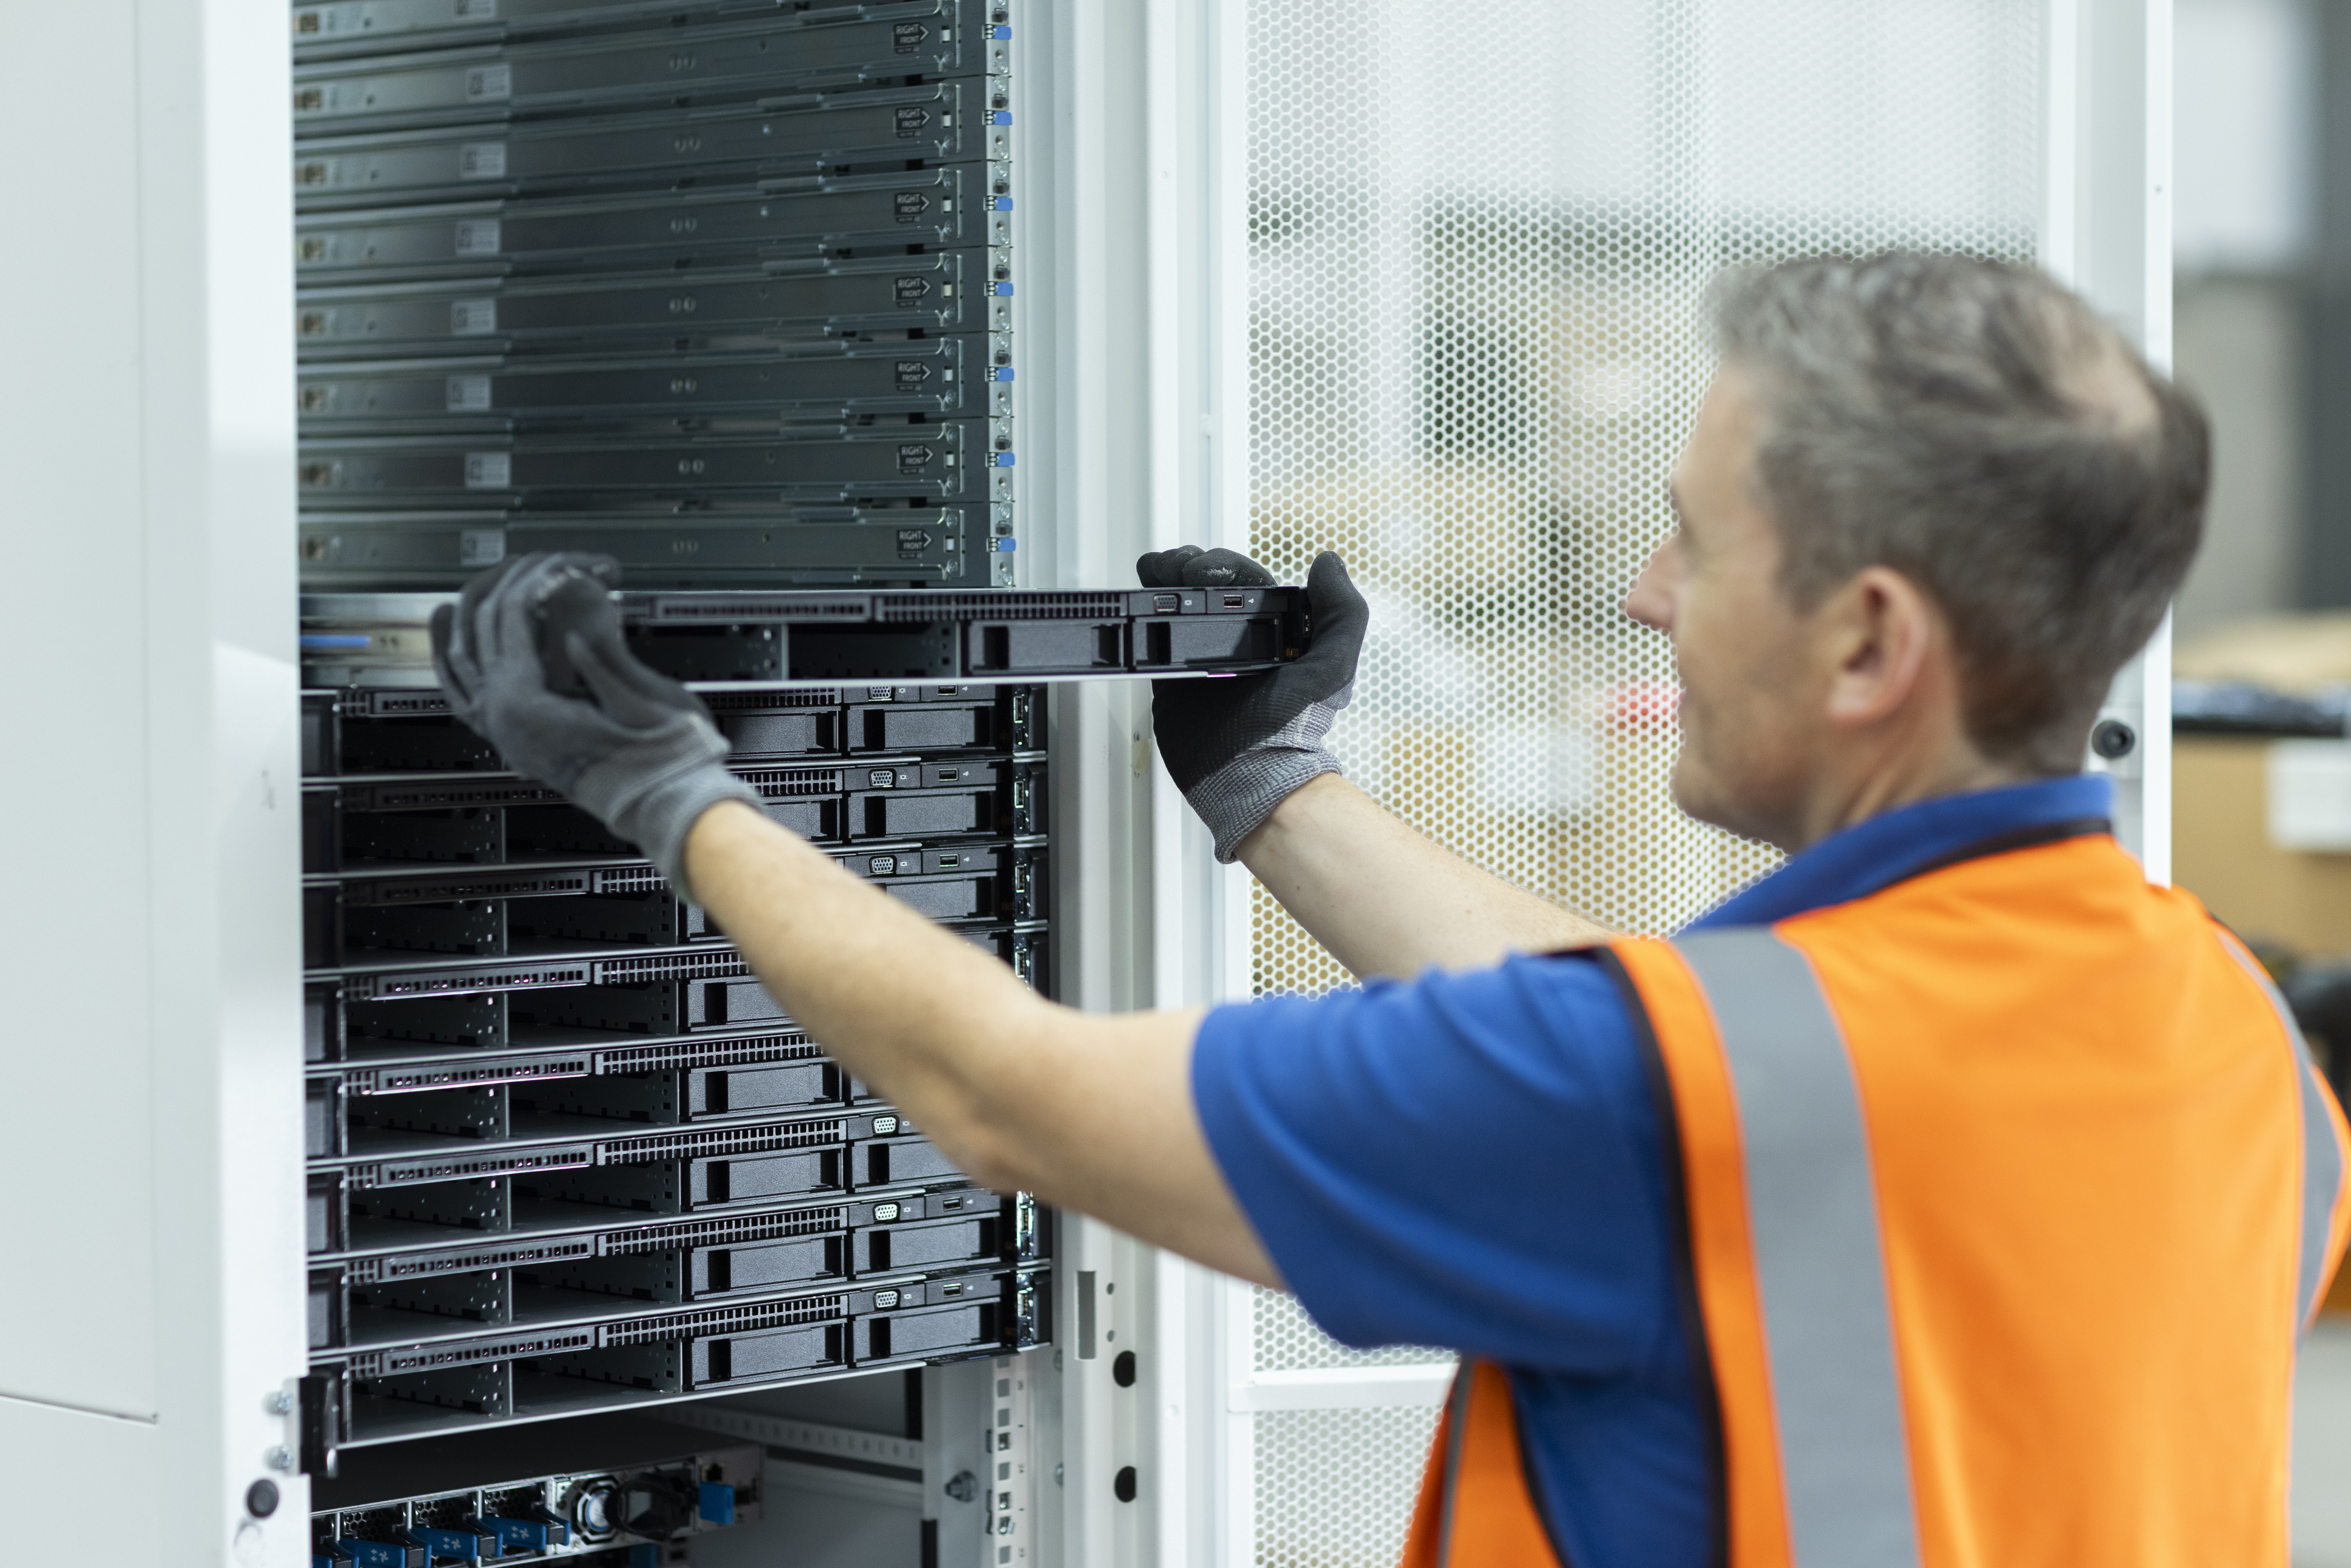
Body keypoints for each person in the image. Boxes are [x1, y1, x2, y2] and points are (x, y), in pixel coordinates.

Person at [432, 253, 2350, 1568]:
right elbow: (1680, 1053)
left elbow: (1010, 1093)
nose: (1645, 595)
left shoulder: (1679, 1098)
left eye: (1696, 534)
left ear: (1870, 640)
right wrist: (1280, 790)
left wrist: (672, 790)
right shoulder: (2234, 1036)